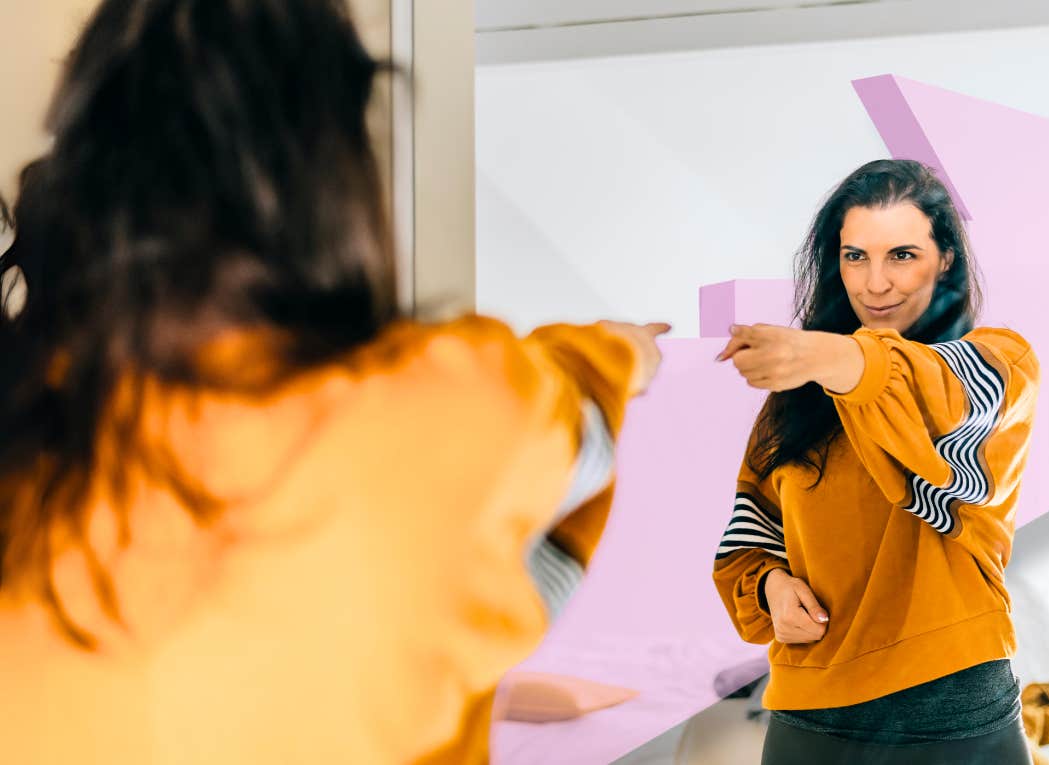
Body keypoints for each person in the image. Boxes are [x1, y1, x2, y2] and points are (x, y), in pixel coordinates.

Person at [0, 1, 666, 762]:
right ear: (326, 172)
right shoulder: (443, 407)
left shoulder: (29, 430)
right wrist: (625, 350)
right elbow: (582, 419)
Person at [713, 159, 1040, 764]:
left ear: (946, 259)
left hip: (952, 712)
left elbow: (919, 391)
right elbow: (746, 541)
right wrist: (772, 589)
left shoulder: (997, 366)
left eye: (903, 255)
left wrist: (830, 358)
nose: (875, 284)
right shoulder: (795, 400)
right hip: (809, 712)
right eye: (855, 256)